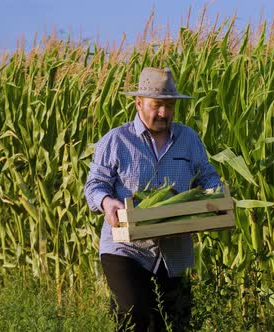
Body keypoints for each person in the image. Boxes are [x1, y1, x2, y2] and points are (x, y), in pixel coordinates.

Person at [84, 67, 223, 331]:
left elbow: (207, 175)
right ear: (138, 103)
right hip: (125, 248)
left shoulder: (188, 139)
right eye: (156, 106)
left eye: (169, 106)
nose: (163, 113)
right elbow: (95, 184)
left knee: (174, 324)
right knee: (135, 315)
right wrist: (107, 202)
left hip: (174, 250)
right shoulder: (116, 141)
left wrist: (217, 195)